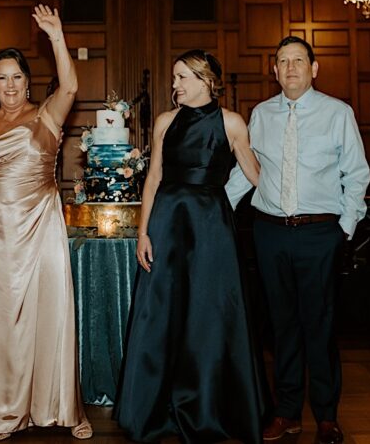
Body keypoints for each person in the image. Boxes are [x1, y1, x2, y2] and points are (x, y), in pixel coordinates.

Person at [115, 50, 269, 443]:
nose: (174, 85)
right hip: (167, 223)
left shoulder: (232, 122)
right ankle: (155, 407)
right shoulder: (165, 122)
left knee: (210, 313)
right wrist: (143, 232)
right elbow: (152, 179)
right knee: (163, 313)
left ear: (205, 80)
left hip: (211, 228)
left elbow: (255, 175)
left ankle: (209, 406)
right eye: (174, 77)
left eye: (182, 77)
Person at [226, 35, 370, 444]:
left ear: (314, 68)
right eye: (282, 61)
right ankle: (287, 412)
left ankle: (326, 415)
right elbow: (246, 171)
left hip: (321, 233)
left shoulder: (337, 113)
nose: (290, 68)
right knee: (282, 326)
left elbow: (356, 174)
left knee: (319, 325)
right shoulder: (261, 115)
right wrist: (213, 207)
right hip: (270, 232)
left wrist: (344, 229)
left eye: (298, 61)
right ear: (274, 70)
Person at [0, 4, 92, 440]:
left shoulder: (47, 114)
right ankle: (3, 412)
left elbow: (71, 84)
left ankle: (64, 408)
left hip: (39, 225)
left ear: (26, 82)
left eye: (17, 77)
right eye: (2, 78)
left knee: (48, 314)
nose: (10, 85)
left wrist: (56, 35)